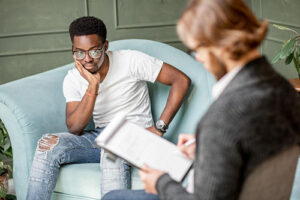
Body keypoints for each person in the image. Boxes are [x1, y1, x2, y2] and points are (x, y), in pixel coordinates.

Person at [102, 0, 300, 199]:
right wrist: (207, 146)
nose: (198, 58)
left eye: (196, 49)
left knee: (113, 197)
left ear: (219, 46)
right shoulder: (283, 89)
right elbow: (256, 146)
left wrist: (160, 182)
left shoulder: (224, 114)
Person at [26, 16, 191, 200]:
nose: (87, 59)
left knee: (112, 150)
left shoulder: (131, 60)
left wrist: (160, 126)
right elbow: (74, 128)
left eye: (94, 51)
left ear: (105, 46)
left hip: (135, 135)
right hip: (101, 136)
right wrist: (92, 86)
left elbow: (181, 80)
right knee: (47, 145)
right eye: (79, 53)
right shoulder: (73, 78)